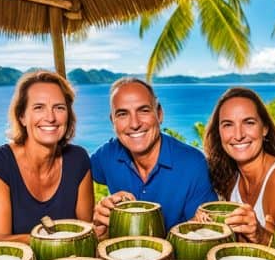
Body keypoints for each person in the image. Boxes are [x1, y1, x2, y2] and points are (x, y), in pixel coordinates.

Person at [0, 71, 94, 244]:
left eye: (59, 107)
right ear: (22, 116)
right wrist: (58, 238)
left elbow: (86, 232)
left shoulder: (78, 159)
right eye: (39, 108)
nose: (51, 117)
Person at [91, 77, 217, 238]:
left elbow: (206, 230)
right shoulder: (106, 155)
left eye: (143, 110)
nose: (134, 123)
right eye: (123, 114)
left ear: (159, 113)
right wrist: (101, 211)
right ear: (113, 121)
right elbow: (73, 169)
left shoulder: (193, 164)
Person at [203, 87, 275, 243]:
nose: (238, 135)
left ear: (264, 128)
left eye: (249, 123)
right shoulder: (230, 178)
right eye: (228, 125)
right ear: (219, 132)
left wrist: (260, 235)